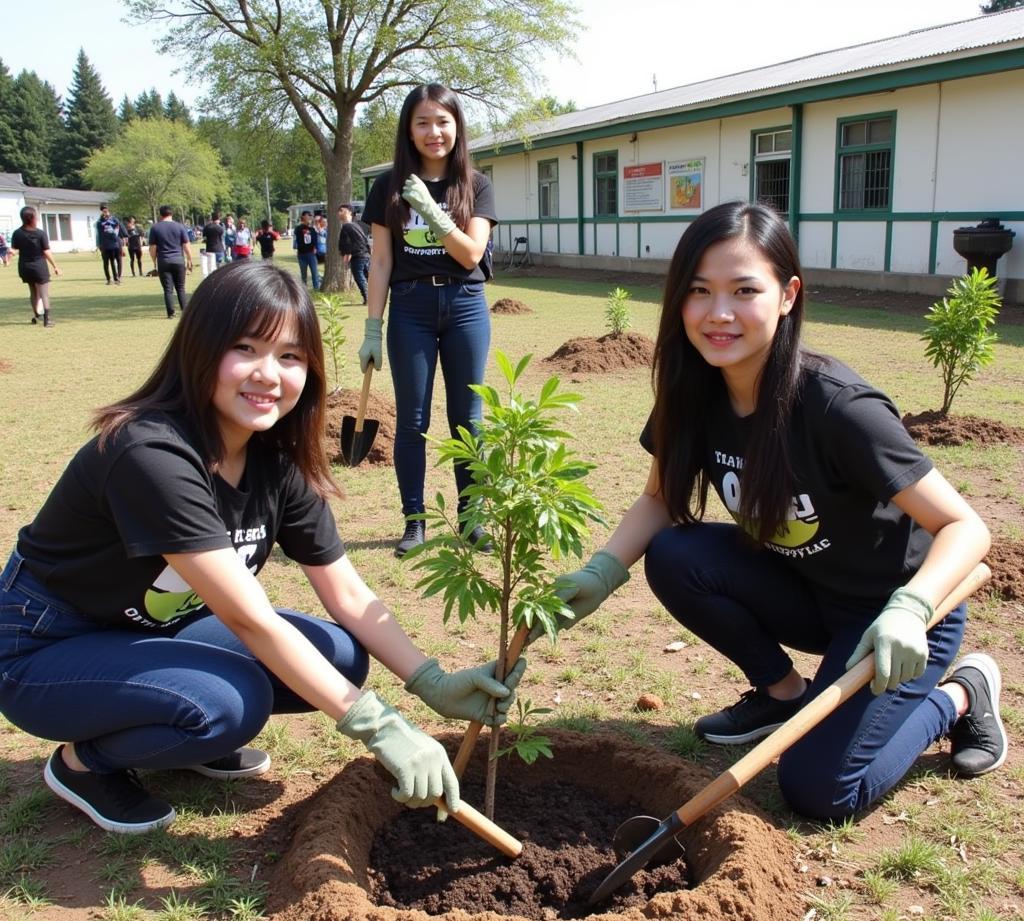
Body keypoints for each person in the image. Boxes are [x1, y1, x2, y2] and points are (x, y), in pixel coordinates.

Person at [0, 260, 524, 835]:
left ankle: (174, 732)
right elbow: (250, 619)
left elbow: (347, 591)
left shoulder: (273, 458)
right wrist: (378, 726)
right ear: (199, 350)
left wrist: (433, 683)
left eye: (290, 356)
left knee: (340, 654)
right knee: (230, 704)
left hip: (148, 629)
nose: (268, 374)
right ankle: (84, 763)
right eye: (245, 348)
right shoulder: (149, 453)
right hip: (45, 644)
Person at [542, 201, 1005, 822]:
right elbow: (658, 499)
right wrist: (601, 572)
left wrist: (914, 607)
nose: (719, 313)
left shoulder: (838, 406)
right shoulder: (692, 391)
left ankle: (960, 696)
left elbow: (966, 527)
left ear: (788, 295)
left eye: (744, 290)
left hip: (895, 620)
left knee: (820, 790)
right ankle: (785, 693)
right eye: (699, 291)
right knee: (676, 554)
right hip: (804, 590)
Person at [362, 83, 497, 557]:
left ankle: (472, 519)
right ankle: (414, 521)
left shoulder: (476, 186)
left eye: (442, 121)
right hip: (410, 309)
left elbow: (471, 254)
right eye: (422, 122)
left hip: (464, 305)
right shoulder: (387, 187)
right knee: (413, 421)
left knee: (468, 420)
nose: (433, 132)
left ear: (457, 126)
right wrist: (371, 327)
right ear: (409, 129)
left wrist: (431, 211)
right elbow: (379, 261)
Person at [10, 206, 61, 327]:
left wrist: (10, 255)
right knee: (44, 293)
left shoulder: (17, 233)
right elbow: (46, 252)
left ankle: (37, 316)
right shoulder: (40, 234)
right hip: (39, 266)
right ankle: (47, 320)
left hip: (24, 267)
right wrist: (55, 266)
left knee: (33, 292)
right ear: (33, 218)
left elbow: (14, 249)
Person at [148, 205, 193, 319]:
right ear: (171, 214)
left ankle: (171, 313)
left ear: (160, 215)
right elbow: (186, 245)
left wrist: (154, 260)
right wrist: (189, 259)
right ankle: (185, 311)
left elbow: (153, 247)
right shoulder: (180, 227)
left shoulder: (155, 228)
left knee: (168, 289)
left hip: (164, 260)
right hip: (178, 259)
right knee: (181, 287)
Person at [338, 203, 370, 304]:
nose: (339, 213)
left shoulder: (346, 227)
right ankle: (373, 296)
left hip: (358, 256)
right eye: (339, 211)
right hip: (365, 255)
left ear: (349, 212)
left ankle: (368, 298)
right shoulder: (356, 225)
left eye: (342, 210)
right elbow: (364, 240)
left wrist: (346, 257)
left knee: (359, 277)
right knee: (367, 276)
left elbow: (346, 244)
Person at [96, 204, 127, 286]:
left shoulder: (114, 220)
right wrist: (99, 244)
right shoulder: (99, 222)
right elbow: (98, 234)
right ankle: (109, 279)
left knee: (117, 261)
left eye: (106, 210)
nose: (105, 211)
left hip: (115, 243)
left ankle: (117, 278)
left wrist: (123, 242)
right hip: (105, 245)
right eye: (103, 210)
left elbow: (119, 229)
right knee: (106, 263)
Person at [293, 211, 320, 289]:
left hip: (311, 254)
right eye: (308, 215)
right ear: (303, 216)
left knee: (314, 273)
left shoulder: (312, 229)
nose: (310, 217)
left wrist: (315, 248)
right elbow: (297, 236)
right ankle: (304, 289)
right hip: (301, 254)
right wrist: (304, 224)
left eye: (311, 216)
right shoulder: (298, 228)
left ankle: (316, 288)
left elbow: (315, 239)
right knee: (303, 274)